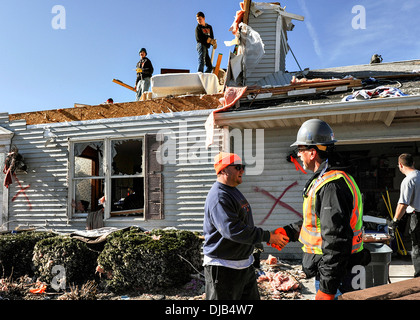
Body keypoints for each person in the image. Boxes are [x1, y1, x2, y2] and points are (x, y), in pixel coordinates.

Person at [274, 119, 370, 300]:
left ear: (312, 153)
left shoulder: (331, 185)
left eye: (300, 151)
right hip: (343, 271)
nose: (298, 155)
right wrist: (289, 231)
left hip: (339, 277)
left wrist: (327, 289)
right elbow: (319, 222)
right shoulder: (333, 179)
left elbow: (336, 239)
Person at [203, 152, 289, 300]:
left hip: (243, 265)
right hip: (223, 268)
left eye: (242, 167)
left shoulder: (233, 192)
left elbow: (244, 225)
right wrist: (267, 236)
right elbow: (233, 231)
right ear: (223, 170)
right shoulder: (219, 196)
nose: (242, 170)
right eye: (238, 167)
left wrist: (265, 239)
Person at [391, 153, 420, 277]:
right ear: (413, 163)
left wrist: (395, 220)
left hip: (417, 217)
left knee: (417, 248)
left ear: (400, 165)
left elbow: (403, 204)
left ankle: (418, 279)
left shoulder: (408, 180)